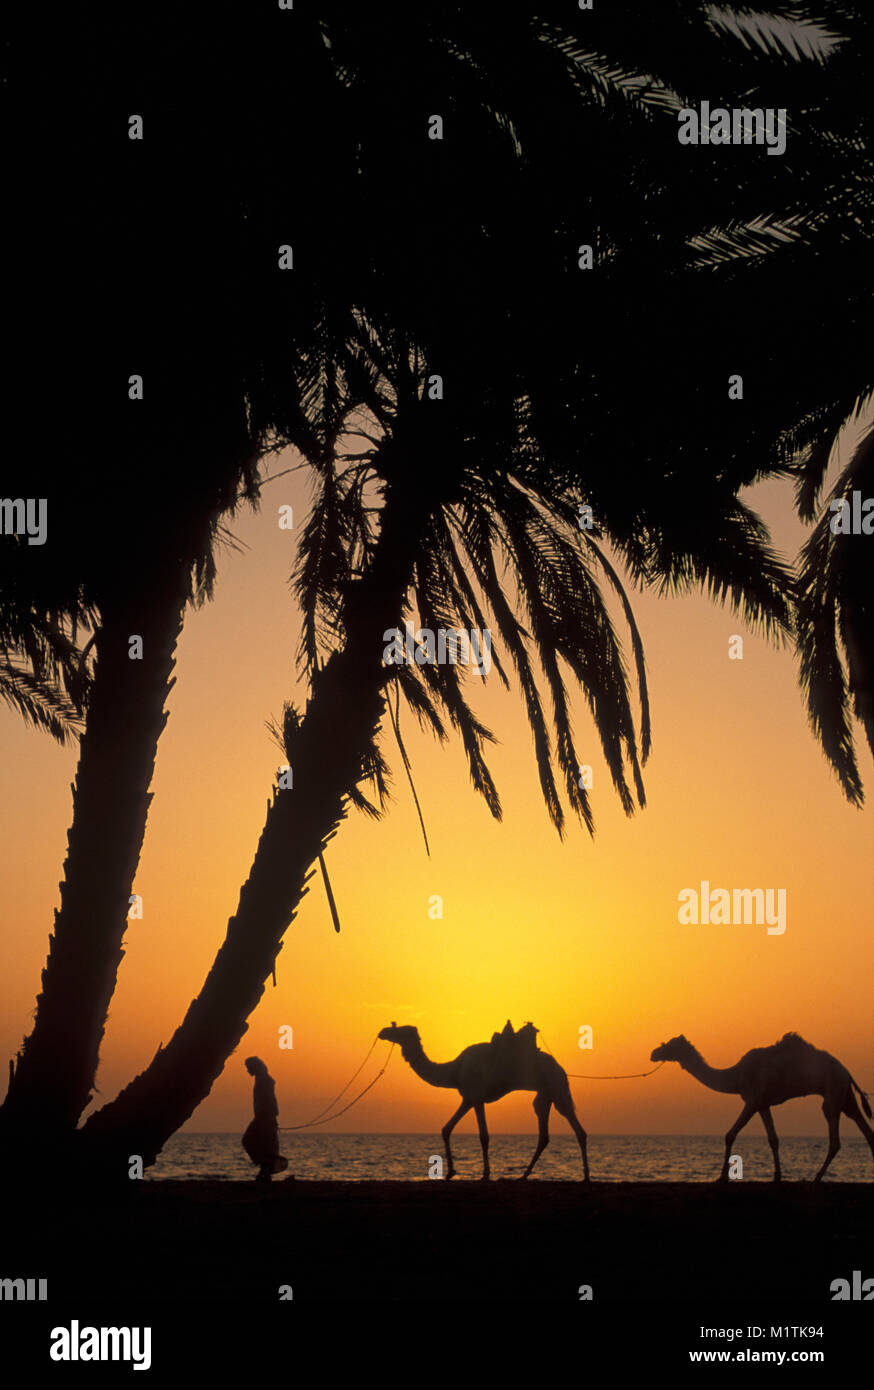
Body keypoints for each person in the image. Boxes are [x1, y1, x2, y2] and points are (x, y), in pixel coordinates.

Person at [242, 1057, 289, 1184]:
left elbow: (270, 1099)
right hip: (263, 1117)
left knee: (249, 1140)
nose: (247, 1070)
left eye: (248, 1067)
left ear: (255, 1066)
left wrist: (271, 1117)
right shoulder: (261, 1079)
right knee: (264, 1144)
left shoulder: (264, 1080)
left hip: (264, 1117)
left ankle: (266, 1166)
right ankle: (265, 1170)